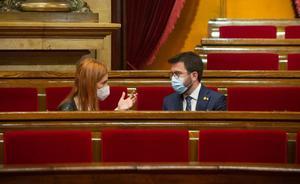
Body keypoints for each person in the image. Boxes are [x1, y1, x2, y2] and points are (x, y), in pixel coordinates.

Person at [58, 56, 137, 111]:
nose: (107, 87)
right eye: (103, 83)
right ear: (89, 84)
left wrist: (119, 109)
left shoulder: (90, 101)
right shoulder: (67, 108)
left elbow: (96, 129)